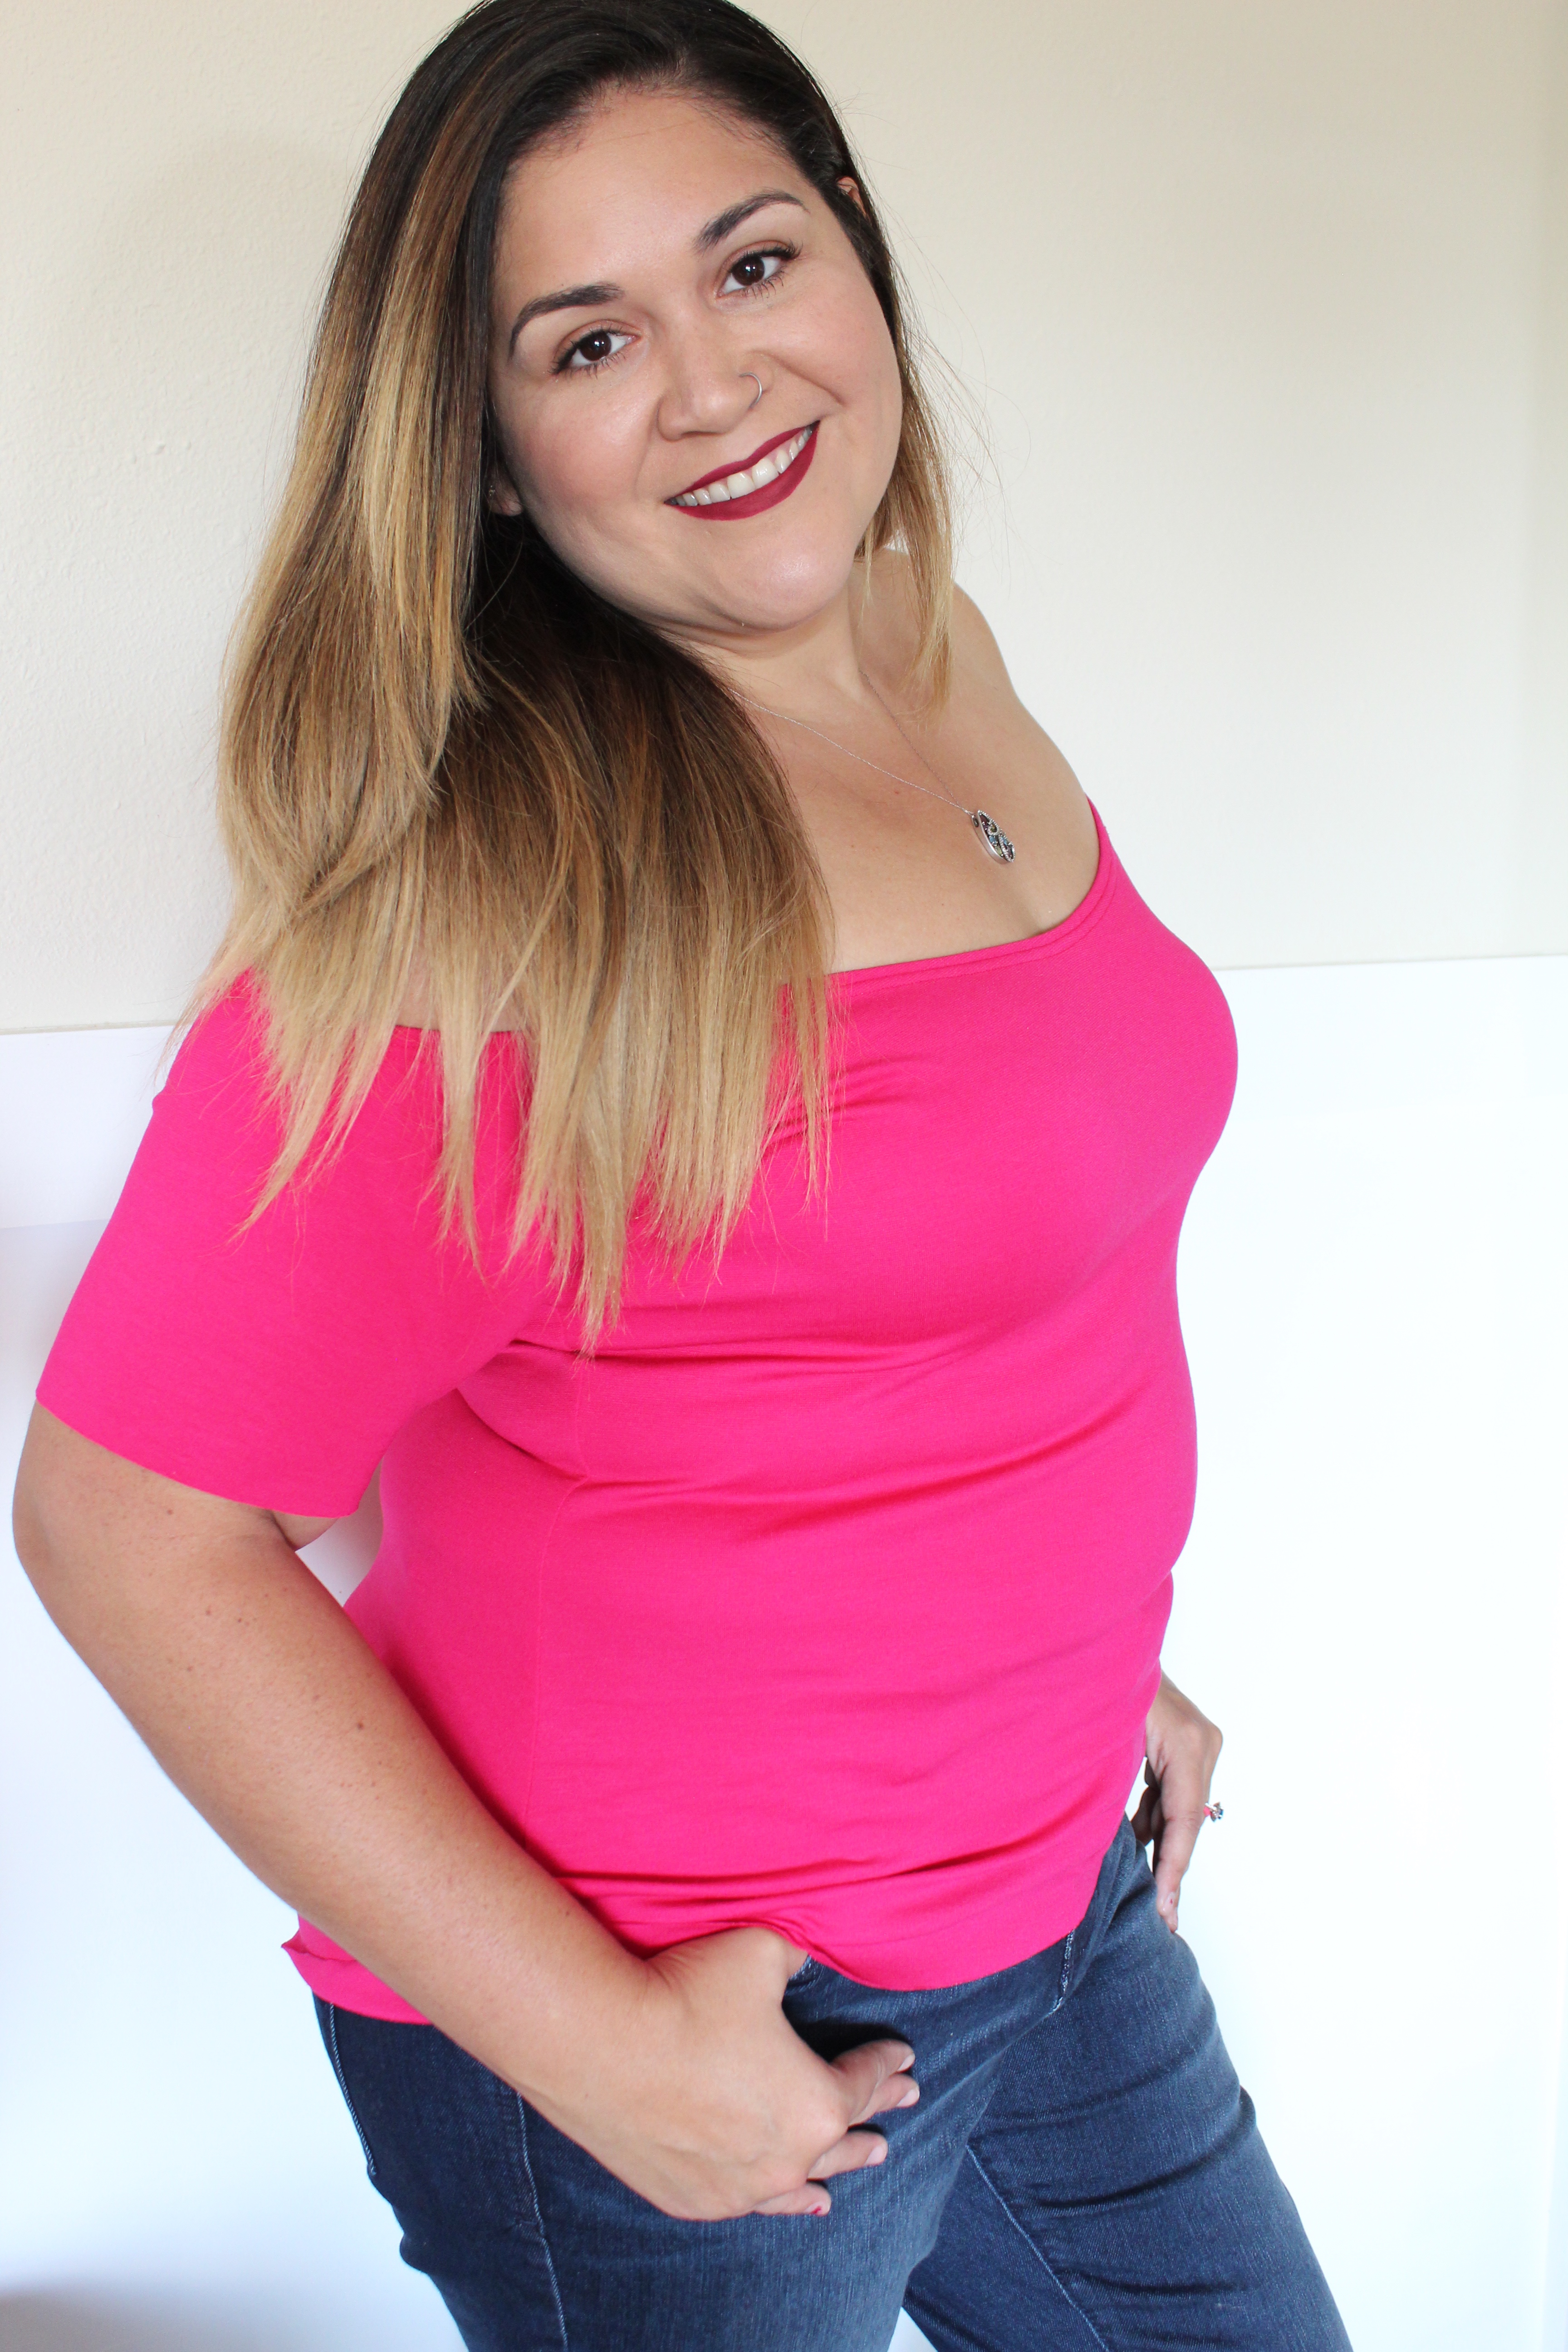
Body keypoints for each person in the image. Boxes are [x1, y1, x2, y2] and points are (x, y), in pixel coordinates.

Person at [12, 4, 1352, 2346]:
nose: (718, 385)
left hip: (1060, 1888)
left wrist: (1077, 1659)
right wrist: (600, 2051)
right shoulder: (487, 908)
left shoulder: (934, 654)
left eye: (750, 262)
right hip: (696, 2014)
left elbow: (942, 1280)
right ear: (488, 451)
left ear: (854, 241)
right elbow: (132, 1524)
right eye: (591, 339)